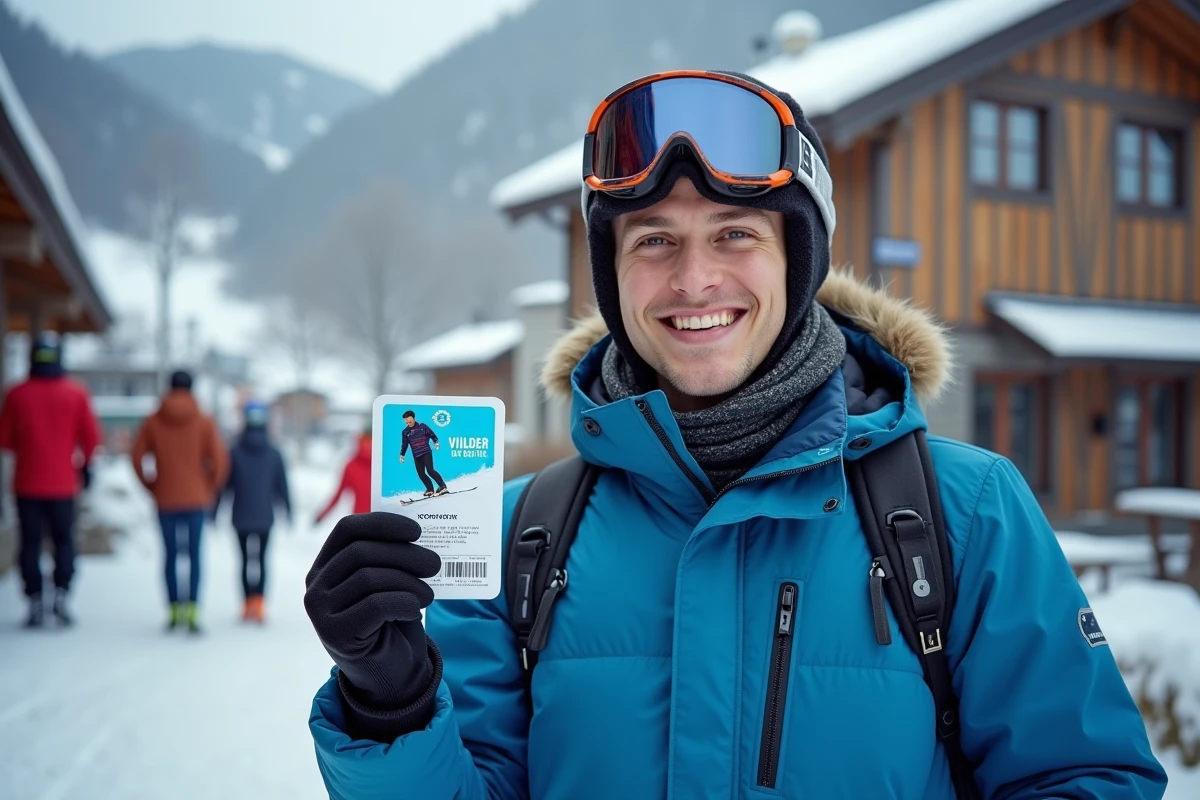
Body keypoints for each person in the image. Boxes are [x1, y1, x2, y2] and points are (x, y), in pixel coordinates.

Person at [302, 72, 1166, 798]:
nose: (693, 278)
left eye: (735, 233)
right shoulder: (518, 534)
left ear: (799, 260)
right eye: (653, 240)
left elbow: (1085, 775)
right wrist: (393, 706)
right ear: (612, 276)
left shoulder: (966, 514)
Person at [0, 332, 99, 628]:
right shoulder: (76, 392)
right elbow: (91, 438)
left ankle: (33, 600)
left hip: (27, 483)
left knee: (30, 543)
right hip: (63, 484)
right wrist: (84, 466)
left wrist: (29, 448)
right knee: (64, 541)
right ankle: (61, 594)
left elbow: (4, 439)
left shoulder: (17, 393)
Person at [131, 370, 228, 634]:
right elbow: (220, 463)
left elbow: (136, 457)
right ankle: (193, 610)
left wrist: (153, 486)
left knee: (171, 555)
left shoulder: (153, 420)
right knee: (195, 555)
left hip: (165, 500)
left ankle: (174, 610)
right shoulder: (204, 421)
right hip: (197, 500)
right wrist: (207, 489)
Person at [213, 401, 291, 623]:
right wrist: (288, 510)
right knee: (263, 560)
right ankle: (259, 604)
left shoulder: (234, 452)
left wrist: (215, 511)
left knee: (245, 560)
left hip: (240, 517)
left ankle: (246, 603)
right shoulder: (274, 452)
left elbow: (224, 486)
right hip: (266, 516)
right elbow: (282, 485)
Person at [314, 426, 372, 524]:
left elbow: (337, 495)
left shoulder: (383, 465)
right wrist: (321, 515)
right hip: (373, 522)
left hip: (362, 522)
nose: (368, 445)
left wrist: (321, 515)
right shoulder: (352, 466)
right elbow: (338, 495)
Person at [399, 410, 447, 497]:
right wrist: (402, 454)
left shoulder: (422, 426)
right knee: (421, 474)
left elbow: (432, 434)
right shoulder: (405, 432)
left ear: (413, 418)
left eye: (408, 418)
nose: (407, 421)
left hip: (426, 452)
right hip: (416, 456)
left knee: (430, 471)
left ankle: (442, 486)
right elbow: (405, 444)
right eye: (405, 420)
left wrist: (436, 442)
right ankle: (430, 489)